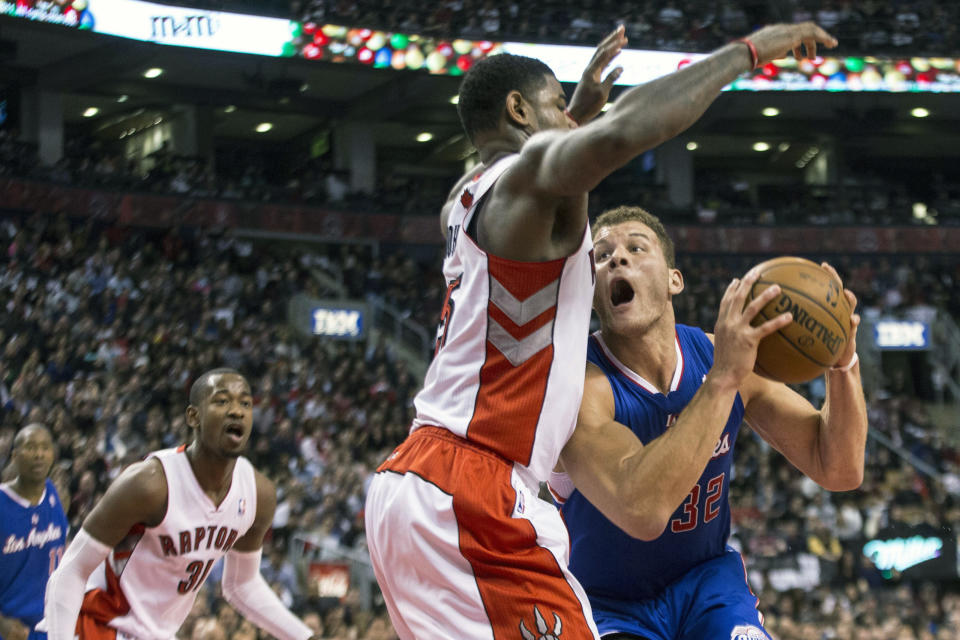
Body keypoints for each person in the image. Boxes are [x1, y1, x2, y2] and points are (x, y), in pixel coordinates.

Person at [364, 19, 839, 640]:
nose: (571, 120)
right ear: (518, 111)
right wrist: (747, 54)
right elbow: (628, 129)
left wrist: (575, 108)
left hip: (411, 482)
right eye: (556, 106)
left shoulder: (465, 196)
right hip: (472, 486)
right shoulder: (530, 179)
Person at [550, 207, 867, 639]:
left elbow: (839, 467)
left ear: (673, 280)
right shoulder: (575, 385)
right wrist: (722, 380)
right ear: (591, 291)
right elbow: (641, 510)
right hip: (606, 603)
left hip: (707, 584)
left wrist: (842, 361)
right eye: (601, 256)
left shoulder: (719, 356)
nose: (617, 259)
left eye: (636, 248)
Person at [42, 368, 320, 640]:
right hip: (102, 623)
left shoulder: (258, 494)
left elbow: (241, 585)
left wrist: (304, 636)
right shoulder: (150, 483)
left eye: (245, 403)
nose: (237, 411)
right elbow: (69, 571)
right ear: (193, 417)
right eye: (222, 401)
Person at [1, 424, 68, 640]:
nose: (38, 454)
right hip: (10, 628)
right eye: (30, 447)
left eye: (44, 447)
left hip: (49, 626)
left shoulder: (56, 495)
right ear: (14, 456)